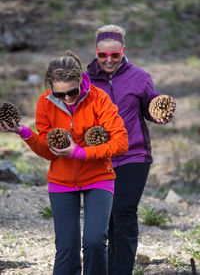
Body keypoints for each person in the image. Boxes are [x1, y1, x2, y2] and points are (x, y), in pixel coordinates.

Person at [0, 50, 128, 275]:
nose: (68, 98)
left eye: (72, 91)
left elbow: (121, 142)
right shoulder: (44, 103)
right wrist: (23, 131)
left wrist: (80, 152)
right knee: (66, 248)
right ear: (51, 87)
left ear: (81, 80)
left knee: (95, 241)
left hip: (98, 177)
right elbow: (49, 152)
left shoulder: (99, 99)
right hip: (61, 180)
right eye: (60, 94)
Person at [86, 24, 174, 275]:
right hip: (99, 157)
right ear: (96, 52)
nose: (109, 60)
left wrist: (161, 114)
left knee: (124, 211)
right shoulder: (86, 81)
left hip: (133, 155)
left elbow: (151, 108)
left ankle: (121, 271)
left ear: (123, 51)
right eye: (103, 55)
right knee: (106, 220)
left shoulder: (140, 77)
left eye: (115, 55)